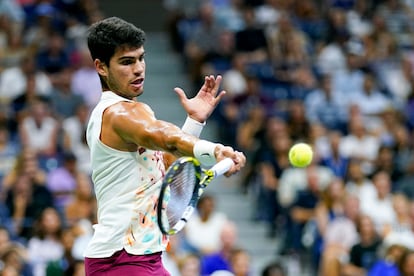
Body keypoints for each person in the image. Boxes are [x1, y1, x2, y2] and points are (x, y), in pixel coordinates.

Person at [83, 16, 246, 276]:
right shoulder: (116, 114)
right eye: (127, 62)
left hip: (145, 257)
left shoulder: (137, 111)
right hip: (120, 261)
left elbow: (167, 169)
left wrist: (194, 122)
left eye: (141, 58)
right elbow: (163, 135)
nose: (138, 69)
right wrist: (214, 150)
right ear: (101, 67)